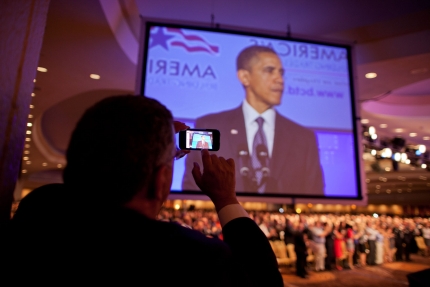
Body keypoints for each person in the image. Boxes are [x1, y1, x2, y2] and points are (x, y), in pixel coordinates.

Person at [5, 95, 283, 286]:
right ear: (160, 182)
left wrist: (154, 152)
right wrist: (226, 199)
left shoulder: (38, 211)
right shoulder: (193, 259)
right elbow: (264, 281)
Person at [182, 45, 324, 195]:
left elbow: (314, 192)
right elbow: (192, 187)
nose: (280, 79)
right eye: (269, 71)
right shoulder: (207, 125)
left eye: (281, 73)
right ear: (244, 77)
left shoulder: (304, 138)